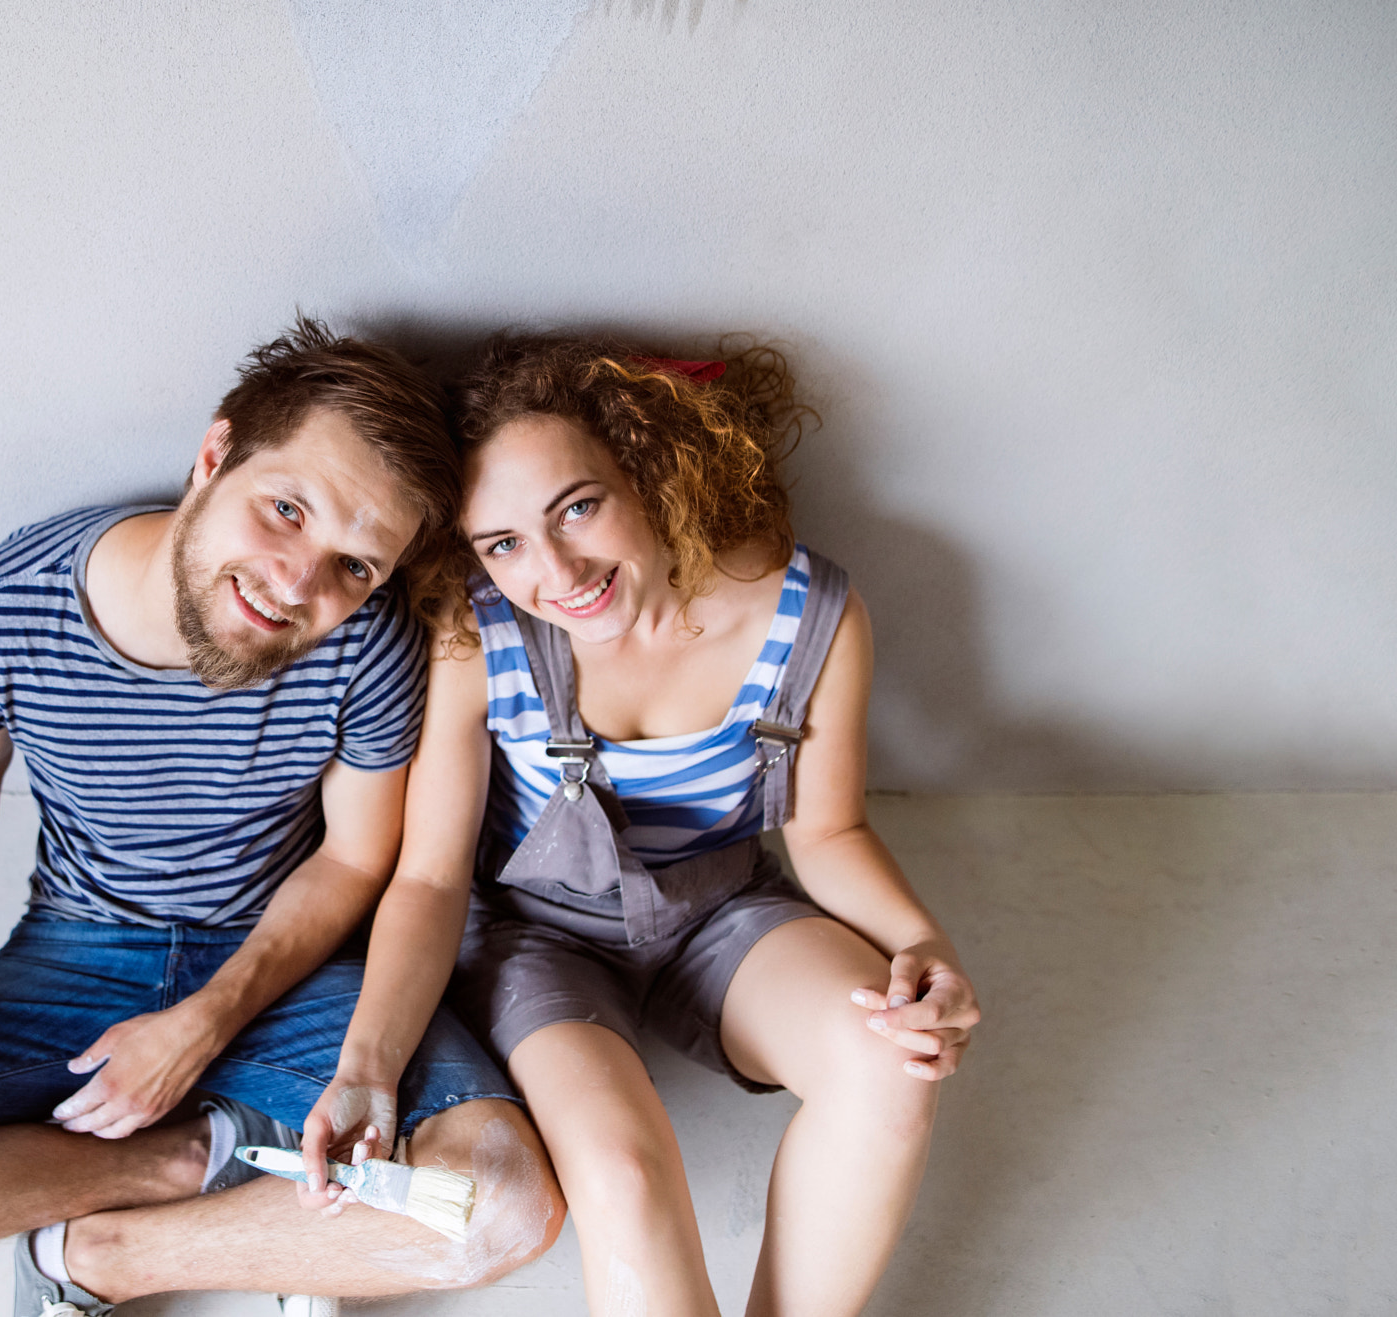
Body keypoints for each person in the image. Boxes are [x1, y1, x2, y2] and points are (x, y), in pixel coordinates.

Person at [0, 320, 562, 1315]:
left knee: (500, 1201)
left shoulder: (366, 643)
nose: (299, 585)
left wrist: (206, 1021)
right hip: (70, 955)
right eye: (285, 510)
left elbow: (353, 861)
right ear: (212, 456)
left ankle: (104, 1257)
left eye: (353, 566)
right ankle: (186, 1163)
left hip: (286, 966)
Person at [298, 333, 983, 1317]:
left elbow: (826, 834)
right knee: (619, 1173)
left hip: (719, 910)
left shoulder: (806, 613)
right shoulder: (478, 634)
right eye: (502, 545)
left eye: (576, 507)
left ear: (651, 468)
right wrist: (366, 1066)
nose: (556, 570)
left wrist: (921, 946)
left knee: (890, 1064)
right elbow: (431, 878)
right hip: (536, 941)